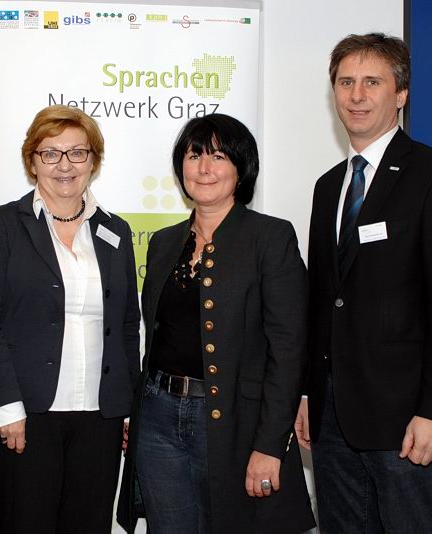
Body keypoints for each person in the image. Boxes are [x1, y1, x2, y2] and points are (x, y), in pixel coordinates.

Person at [294, 33, 432, 533]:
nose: (356, 95)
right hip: (332, 418)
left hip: (406, 419)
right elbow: (323, 300)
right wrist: (309, 394)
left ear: (401, 94)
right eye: (345, 82)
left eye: (372, 82)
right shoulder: (328, 186)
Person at [118, 114, 315, 534]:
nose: (204, 168)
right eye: (194, 156)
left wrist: (270, 445)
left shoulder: (270, 238)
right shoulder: (164, 242)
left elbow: (289, 349)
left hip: (234, 423)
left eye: (219, 157)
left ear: (241, 169)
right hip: (158, 418)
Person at [0, 104, 140, 534]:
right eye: (50, 153)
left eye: (77, 153)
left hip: (100, 419)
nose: (64, 165)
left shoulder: (116, 231)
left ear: (93, 161)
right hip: (26, 417)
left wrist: (128, 406)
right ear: (32, 162)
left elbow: (127, 325)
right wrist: (5, 407)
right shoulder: (4, 225)